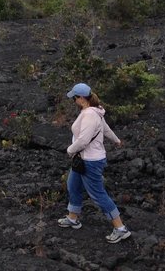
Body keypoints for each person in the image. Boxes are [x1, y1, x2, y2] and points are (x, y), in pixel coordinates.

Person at [58, 82, 131, 244]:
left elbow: (83, 140)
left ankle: (120, 228)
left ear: (81, 98)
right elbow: (106, 130)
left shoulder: (90, 114)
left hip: (90, 161)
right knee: (73, 186)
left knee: (98, 194)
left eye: (74, 98)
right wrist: (117, 140)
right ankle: (73, 218)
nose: (73, 101)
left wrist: (70, 150)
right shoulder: (94, 112)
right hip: (81, 160)